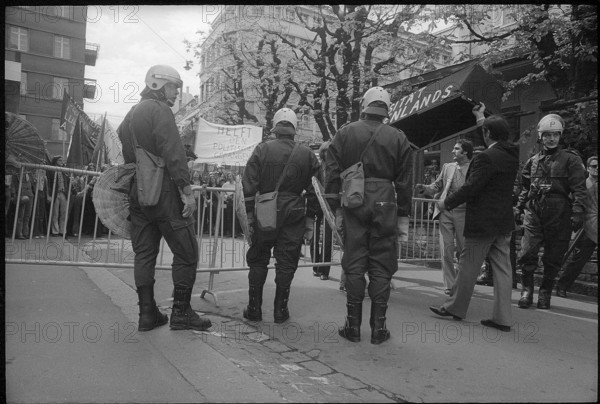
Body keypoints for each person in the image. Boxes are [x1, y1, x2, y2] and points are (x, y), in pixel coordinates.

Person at [117, 64, 211, 332]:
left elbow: (126, 147)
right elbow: (173, 152)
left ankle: (147, 314)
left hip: (139, 191)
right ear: (157, 85)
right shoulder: (160, 110)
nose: (176, 92)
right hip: (165, 193)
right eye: (173, 87)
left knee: (144, 254)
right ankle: (181, 313)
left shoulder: (132, 113)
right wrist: (186, 190)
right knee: (187, 252)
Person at [325, 86, 413, 344]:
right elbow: (405, 181)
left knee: (354, 260)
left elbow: (331, 173)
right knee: (382, 262)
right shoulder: (398, 137)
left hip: (354, 199)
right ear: (386, 108)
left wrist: (335, 208)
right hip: (386, 199)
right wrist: (404, 215)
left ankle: (352, 327)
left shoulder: (345, 132)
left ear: (365, 105)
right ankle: (378, 328)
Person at [430, 103, 519, 333]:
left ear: (488, 134)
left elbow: (471, 188)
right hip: (503, 222)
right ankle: (503, 318)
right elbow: (493, 137)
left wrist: (446, 202)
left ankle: (455, 307)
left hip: (483, 223)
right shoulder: (511, 154)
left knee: (468, 265)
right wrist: (481, 117)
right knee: (503, 270)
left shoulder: (485, 158)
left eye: (485, 131)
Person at [242, 107, 320, 323]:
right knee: (287, 261)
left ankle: (254, 308)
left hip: (266, 209)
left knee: (258, 259)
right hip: (294, 210)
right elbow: (316, 190)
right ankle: (280, 311)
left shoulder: (261, 149)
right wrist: (310, 218)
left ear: (276, 127)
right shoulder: (306, 154)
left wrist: (249, 215)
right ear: (294, 128)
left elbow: (248, 185)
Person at [515, 114, 587, 310]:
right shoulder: (533, 161)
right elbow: (525, 186)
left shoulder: (571, 160)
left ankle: (545, 292)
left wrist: (578, 211)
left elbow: (579, 188)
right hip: (535, 211)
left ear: (560, 136)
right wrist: (519, 207)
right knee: (527, 251)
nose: (551, 139)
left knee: (554, 256)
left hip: (560, 212)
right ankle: (527, 290)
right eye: (547, 135)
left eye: (555, 135)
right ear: (541, 137)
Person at [416, 139, 473, 296]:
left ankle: (461, 283)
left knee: (463, 250)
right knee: (446, 249)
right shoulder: (447, 167)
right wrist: (424, 188)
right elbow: (437, 185)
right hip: (445, 211)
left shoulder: (474, 168)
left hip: (464, 212)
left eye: (456, 149)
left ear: (465, 152)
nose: (453, 151)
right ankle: (449, 285)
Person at [556, 156, 598, 297]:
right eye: (594, 166)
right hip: (586, 227)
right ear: (588, 168)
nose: (597, 168)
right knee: (578, 261)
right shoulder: (582, 185)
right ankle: (562, 285)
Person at [307, 140, 334, 281]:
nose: (328, 154)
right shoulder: (317, 168)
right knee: (314, 237)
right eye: (326, 152)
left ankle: (325, 270)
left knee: (327, 240)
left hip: (329, 207)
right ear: (323, 153)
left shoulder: (335, 168)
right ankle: (316, 266)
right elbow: (311, 185)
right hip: (316, 205)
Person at [47, 156, 70, 237]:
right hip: (55, 193)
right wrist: (49, 195)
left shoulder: (64, 170)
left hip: (64, 193)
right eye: (60, 160)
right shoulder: (51, 170)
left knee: (64, 213)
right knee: (55, 213)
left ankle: (62, 231)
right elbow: (49, 183)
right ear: (56, 161)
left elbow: (67, 181)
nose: (61, 161)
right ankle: (55, 231)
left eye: (62, 160)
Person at [14, 172, 34, 239]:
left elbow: (32, 185)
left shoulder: (30, 174)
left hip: (30, 195)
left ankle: (25, 233)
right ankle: (19, 233)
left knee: (27, 215)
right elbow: (15, 186)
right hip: (21, 195)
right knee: (20, 215)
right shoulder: (17, 174)